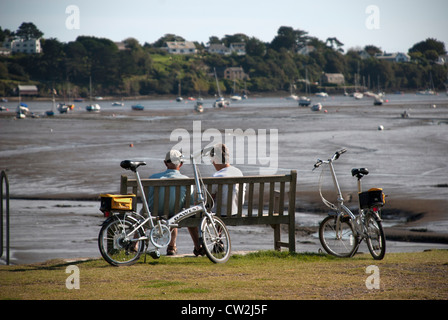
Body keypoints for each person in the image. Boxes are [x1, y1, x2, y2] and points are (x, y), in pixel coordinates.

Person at [188, 143, 245, 256]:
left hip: (221, 213)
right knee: (220, 207)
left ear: (217, 159)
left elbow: (210, 201)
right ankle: (218, 243)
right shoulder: (239, 172)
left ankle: (198, 247)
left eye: (212, 160)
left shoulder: (217, 176)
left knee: (192, 217)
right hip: (235, 211)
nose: (212, 163)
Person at [147, 149, 189, 255]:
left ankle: (135, 245)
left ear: (165, 163)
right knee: (174, 214)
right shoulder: (186, 180)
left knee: (144, 211)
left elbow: (148, 197)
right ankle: (171, 247)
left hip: (153, 213)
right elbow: (191, 201)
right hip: (176, 214)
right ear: (181, 164)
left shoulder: (153, 178)